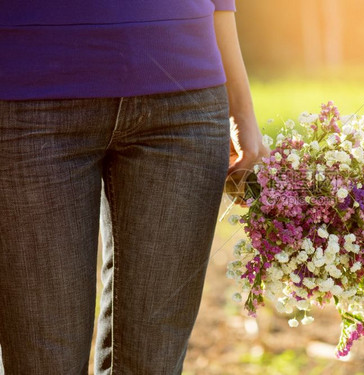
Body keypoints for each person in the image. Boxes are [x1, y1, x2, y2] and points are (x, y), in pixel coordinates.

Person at [0, 1, 268, 373]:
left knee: (152, 364)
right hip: (28, 89)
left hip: (184, 97)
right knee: (43, 362)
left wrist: (241, 105)